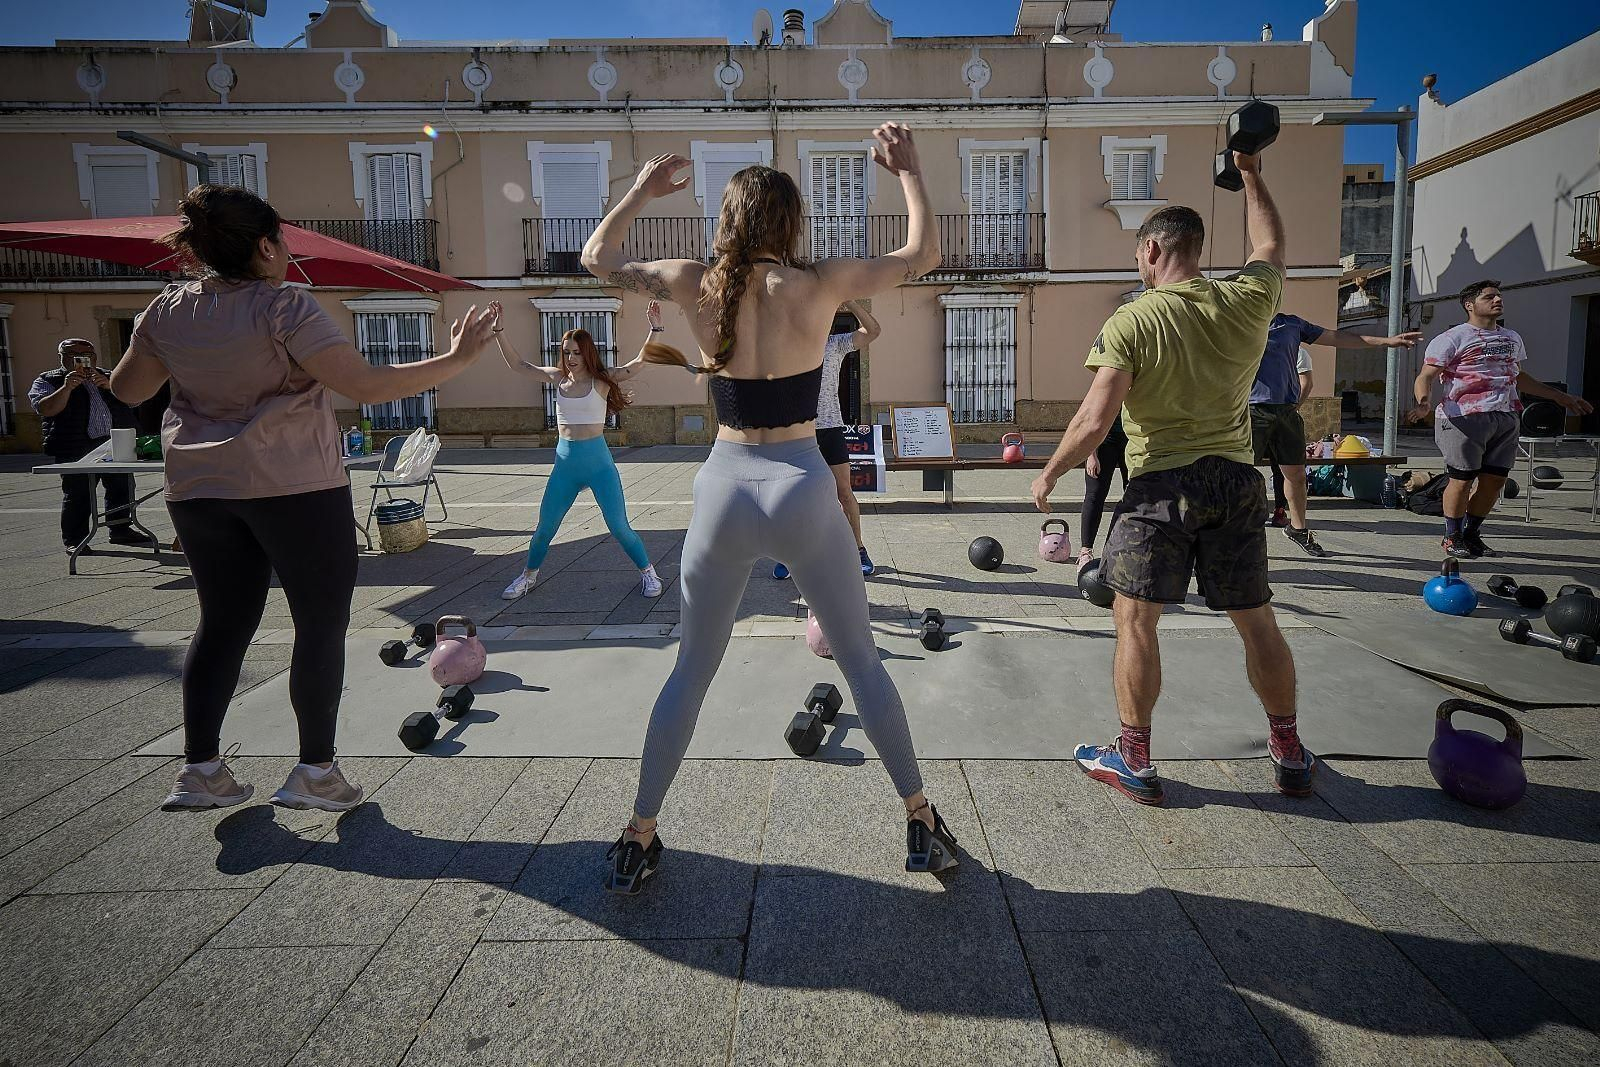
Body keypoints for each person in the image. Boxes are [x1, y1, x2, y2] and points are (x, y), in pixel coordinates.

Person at [582, 126, 958, 894]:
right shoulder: (822, 283)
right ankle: (919, 818)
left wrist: (638, 193)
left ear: (727, 220)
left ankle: (638, 832)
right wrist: (910, 172)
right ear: (791, 222)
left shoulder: (695, 282)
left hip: (723, 484)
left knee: (691, 669)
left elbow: (596, 258)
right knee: (861, 661)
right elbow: (925, 255)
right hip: (799, 481)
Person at [110, 183, 494, 813]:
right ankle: (315, 772)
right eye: (281, 241)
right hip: (292, 484)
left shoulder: (166, 309)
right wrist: (456, 359)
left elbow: (129, 391)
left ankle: (201, 770)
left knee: (222, 624)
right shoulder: (285, 306)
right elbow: (363, 386)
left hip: (199, 489)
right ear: (265, 245)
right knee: (318, 623)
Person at [1029, 150, 1314, 807]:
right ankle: (1289, 752)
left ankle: (1133, 760)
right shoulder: (1249, 300)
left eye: (1138, 257)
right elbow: (1270, 240)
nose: (1138, 265)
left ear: (1153, 248)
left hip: (1162, 487)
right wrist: (1249, 173)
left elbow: (1095, 419)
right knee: (1257, 621)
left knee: (1135, 621)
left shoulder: (1135, 318)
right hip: (1238, 482)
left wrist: (1049, 473)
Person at [491, 299, 666, 601]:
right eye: (566, 352)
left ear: (587, 353)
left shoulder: (602, 380)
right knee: (545, 527)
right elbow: (518, 364)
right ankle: (528, 576)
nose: (571, 358)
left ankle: (649, 573)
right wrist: (499, 330)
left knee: (619, 527)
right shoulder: (557, 378)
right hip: (566, 465)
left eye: (576, 352)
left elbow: (639, 363)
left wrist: (656, 328)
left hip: (598, 464)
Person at [1408, 280, 1591, 558]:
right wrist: (1423, 403)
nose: (1497, 300)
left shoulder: (1511, 338)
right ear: (1470, 305)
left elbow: (1519, 376)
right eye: (1489, 297)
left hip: (1505, 416)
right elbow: (1426, 375)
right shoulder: (1452, 338)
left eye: (1499, 296)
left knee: (1495, 481)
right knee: (1462, 480)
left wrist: (1559, 397)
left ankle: (1471, 533)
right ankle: (1452, 536)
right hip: (1463, 417)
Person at [1251, 316, 1421, 554]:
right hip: (1249, 410)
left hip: (1286, 412)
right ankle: (1225, 536)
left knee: (1297, 475)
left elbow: (1336, 337)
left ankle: (1298, 529)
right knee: (1238, 476)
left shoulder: (1290, 324)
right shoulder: (1236, 317)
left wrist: (1385, 341)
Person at [773, 300, 882, 579]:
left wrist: (852, 303)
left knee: (843, 492)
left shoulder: (835, 343)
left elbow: (873, 330)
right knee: (791, 496)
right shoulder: (787, 344)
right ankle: (790, 555)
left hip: (830, 427)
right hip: (796, 431)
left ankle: (858, 550)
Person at [28, 338, 147, 555]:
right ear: (62, 357)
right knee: (78, 493)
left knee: (122, 487)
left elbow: (135, 400)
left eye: (88, 354)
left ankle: (120, 528)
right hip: (74, 445)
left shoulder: (110, 375)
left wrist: (111, 386)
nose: (83, 359)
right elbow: (46, 409)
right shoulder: (49, 379)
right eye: (74, 354)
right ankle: (75, 539)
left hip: (114, 443)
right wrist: (66, 388)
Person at [1076, 414, 1128, 569]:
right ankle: (1086, 551)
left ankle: (1124, 550)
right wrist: (1091, 455)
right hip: (1104, 441)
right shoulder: (1106, 388)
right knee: (1095, 495)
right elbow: (1090, 418)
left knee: (1134, 497)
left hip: (1132, 442)